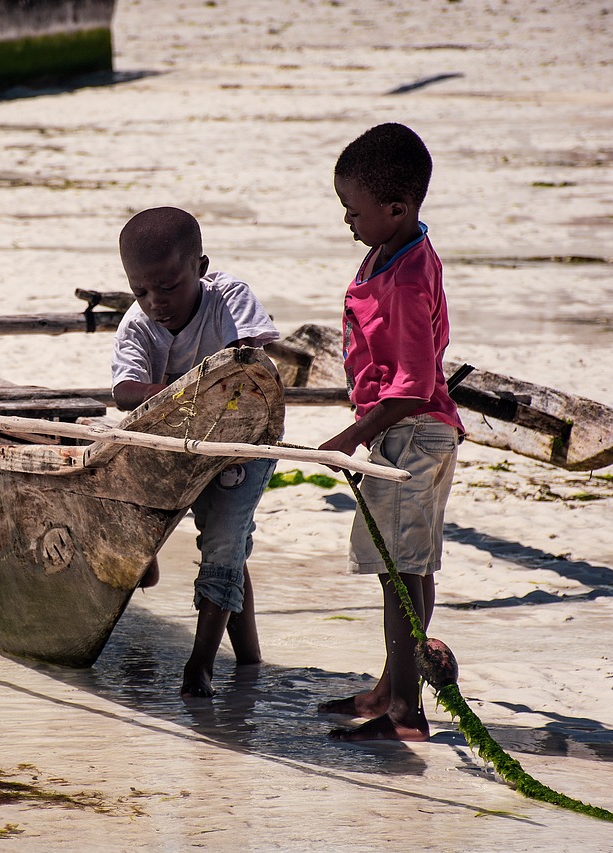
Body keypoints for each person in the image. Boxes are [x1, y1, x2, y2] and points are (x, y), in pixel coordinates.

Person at [316, 123, 463, 741]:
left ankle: (405, 712)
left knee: (399, 572)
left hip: (411, 434)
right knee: (410, 565)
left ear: (397, 208)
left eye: (354, 210)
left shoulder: (404, 279)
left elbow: (413, 385)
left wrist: (353, 436)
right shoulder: (397, 249)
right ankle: (389, 687)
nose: (348, 221)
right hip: (417, 433)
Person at [111, 206, 281, 698]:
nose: (155, 302)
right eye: (140, 291)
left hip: (242, 443)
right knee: (224, 545)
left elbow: (249, 360)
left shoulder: (229, 298)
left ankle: (199, 668)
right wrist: (193, 391)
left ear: (200, 269)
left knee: (225, 544)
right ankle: (248, 661)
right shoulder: (138, 325)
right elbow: (124, 392)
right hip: (175, 444)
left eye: (167, 287)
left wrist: (192, 392)